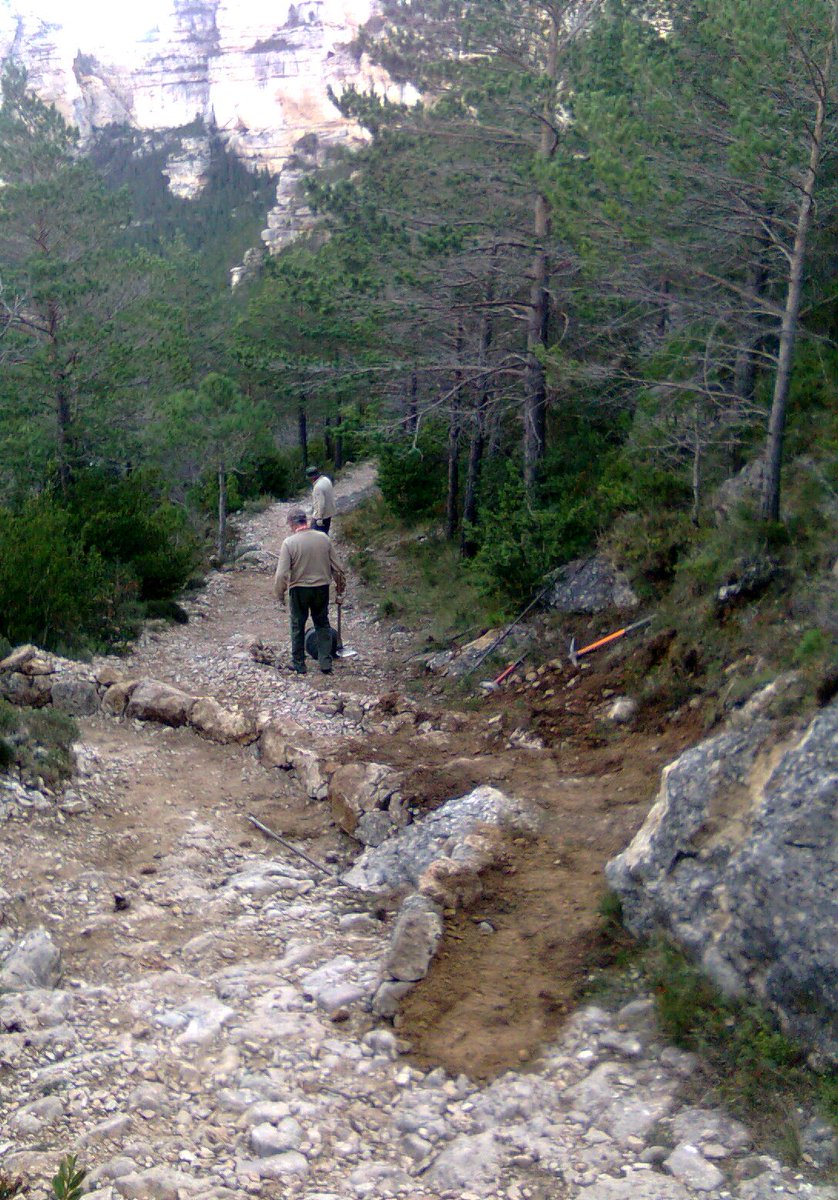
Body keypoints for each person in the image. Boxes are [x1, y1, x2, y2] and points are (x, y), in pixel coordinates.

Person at [273, 509, 346, 675]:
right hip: (321, 587)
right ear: (305, 520)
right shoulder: (323, 539)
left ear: (292, 523)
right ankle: (325, 663)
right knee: (322, 623)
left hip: (299, 589)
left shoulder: (289, 543)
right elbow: (338, 568)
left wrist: (280, 594)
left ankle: (299, 664)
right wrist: (340, 588)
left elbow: (281, 574)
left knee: (298, 625)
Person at [305, 465, 337, 534]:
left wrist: (319, 518)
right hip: (329, 513)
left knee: (314, 534)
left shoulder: (318, 487)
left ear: (312, 477)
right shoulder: (326, 479)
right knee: (325, 533)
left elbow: (321, 504)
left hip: (322, 516)